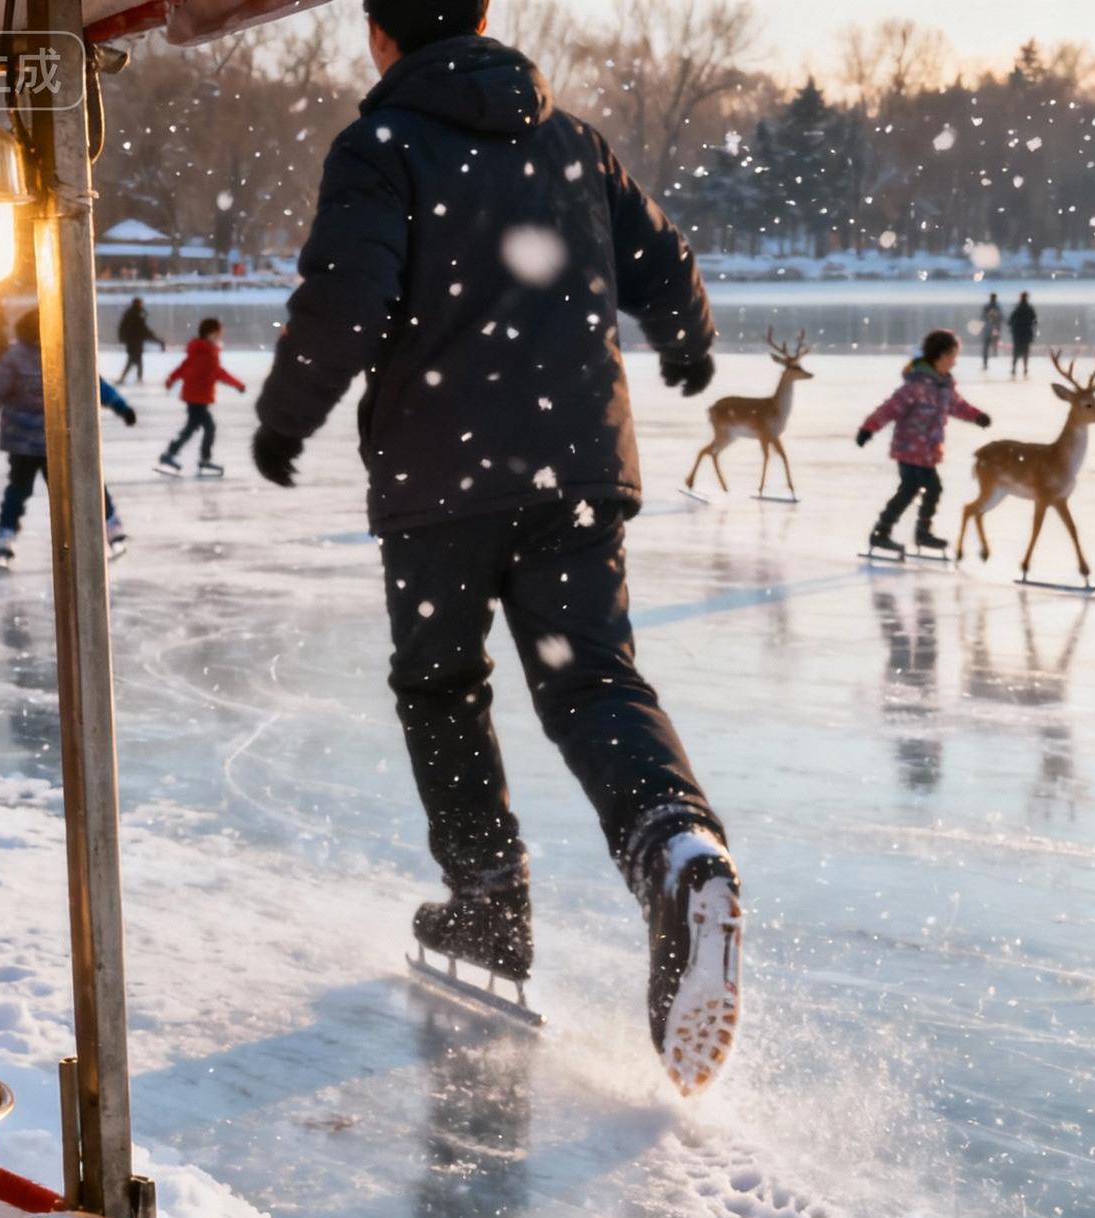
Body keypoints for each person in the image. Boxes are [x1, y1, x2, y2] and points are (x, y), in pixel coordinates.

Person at [250, 0, 741, 1095]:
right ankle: (674, 846)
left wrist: (287, 412)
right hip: (575, 467)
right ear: (482, 17)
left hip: (440, 480)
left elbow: (347, 300)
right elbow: (663, 258)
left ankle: (485, 906)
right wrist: (686, 342)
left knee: (440, 685)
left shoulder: (381, 143)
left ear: (379, 35)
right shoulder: (570, 139)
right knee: (592, 680)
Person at [0, 306, 136, 571]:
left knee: (22, 491)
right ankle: (110, 528)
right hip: (50, 440)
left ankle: (6, 539)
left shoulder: (29, 355)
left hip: (34, 440)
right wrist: (120, 407)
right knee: (83, 486)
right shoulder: (56, 353)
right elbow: (95, 384)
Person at [857, 328, 990, 558]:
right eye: (953, 356)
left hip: (929, 452)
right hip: (908, 449)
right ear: (940, 356)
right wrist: (868, 428)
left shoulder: (945, 386)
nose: (954, 362)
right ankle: (881, 531)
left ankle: (922, 532)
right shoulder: (916, 385)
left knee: (934, 489)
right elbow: (890, 408)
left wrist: (977, 416)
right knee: (908, 489)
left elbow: (958, 406)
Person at [158, 319, 246, 478]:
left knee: (192, 428)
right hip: (197, 398)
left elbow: (184, 367)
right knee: (207, 428)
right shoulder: (207, 352)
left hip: (196, 397)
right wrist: (238, 385)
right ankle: (200, 458)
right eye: (218, 334)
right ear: (210, 334)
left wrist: (172, 379)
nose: (220, 336)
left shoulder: (201, 350)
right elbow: (219, 373)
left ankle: (171, 454)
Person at [117, 295, 165, 384]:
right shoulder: (136, 315)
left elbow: (126, 328)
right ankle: (129, 379)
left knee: (136, 360)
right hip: (135, 342)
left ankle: (136, 379)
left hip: (132, 342)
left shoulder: (132, 314)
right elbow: (142, 329)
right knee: (133, 360)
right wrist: (154, 338)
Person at [1009, 292, 1038, 378]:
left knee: (1016, 352)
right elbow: (1034, 321)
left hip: (1018, 334)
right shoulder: (1029, 308)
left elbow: (1010, 321)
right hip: (1026, 334)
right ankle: (1024, 368)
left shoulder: (1017, 308)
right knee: (1025, 352)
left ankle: (1014, 368)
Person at [981, 291, 1003, 370]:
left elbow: (983, 317)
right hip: (991, 329)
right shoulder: (996, 307)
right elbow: (1001, 318)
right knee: (988, 346)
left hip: (990, 329)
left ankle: (986, 362)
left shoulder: (990, 307)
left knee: (988, 346)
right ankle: (986, 362)